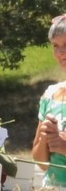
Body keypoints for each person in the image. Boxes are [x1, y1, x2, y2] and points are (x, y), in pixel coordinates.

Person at [33, 14, 66, 186]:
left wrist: (63, 146)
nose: (61, 52)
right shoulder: (50, 95)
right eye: (55, 45)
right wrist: (46, 138)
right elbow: (40, 162)